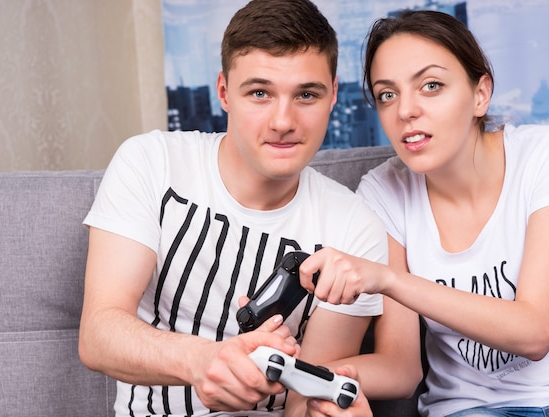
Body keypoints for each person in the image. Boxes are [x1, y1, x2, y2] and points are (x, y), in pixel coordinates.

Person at [298, 9, 549, 417]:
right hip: (472, 409)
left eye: (431, 86)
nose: (405, 111)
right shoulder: (382, 193)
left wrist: (388, 279)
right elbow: (400, 368)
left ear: (480, 93)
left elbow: (535, 332)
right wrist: (303, 374)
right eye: (387, 94)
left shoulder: (547, 153)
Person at [78, 0, 394, 415]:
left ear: (334, 95)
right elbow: (99, 334)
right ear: (224, 92)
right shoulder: (151, 161)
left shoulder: (356, 226)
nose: (283, 121)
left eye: (306, 94)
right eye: (260, 93)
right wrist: (201, 360)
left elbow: (303, 400)